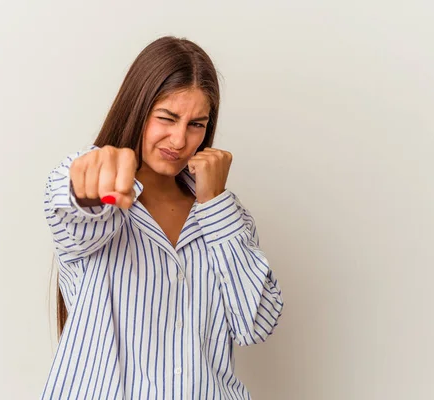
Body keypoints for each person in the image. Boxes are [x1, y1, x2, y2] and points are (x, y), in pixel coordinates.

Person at [42, 36, 284, 400]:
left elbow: (255, 323)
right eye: (167, 118)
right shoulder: (98, 199)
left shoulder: (224, 217)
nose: (179, 139)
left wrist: (215, 203)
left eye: (196, 124)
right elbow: (74, 206)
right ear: (138, 109)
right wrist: (91, 183)